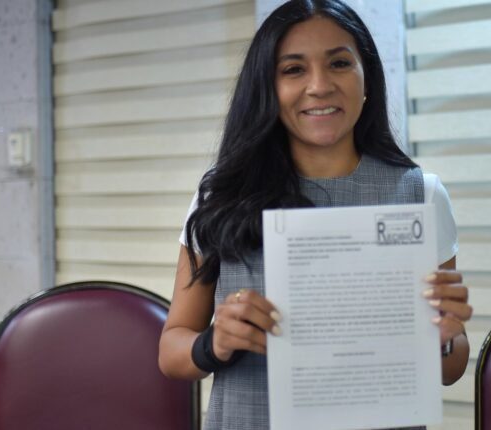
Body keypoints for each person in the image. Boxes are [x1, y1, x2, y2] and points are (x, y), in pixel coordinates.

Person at [158, 1, 472, 429]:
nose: (320, 86)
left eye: (339, 63)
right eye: (293, 69)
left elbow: (451, 368)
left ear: (367, 78)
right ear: (268, 88)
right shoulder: (220, 195)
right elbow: (171, 352)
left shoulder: (422, 194)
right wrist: (213, 343)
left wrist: (443, 338)